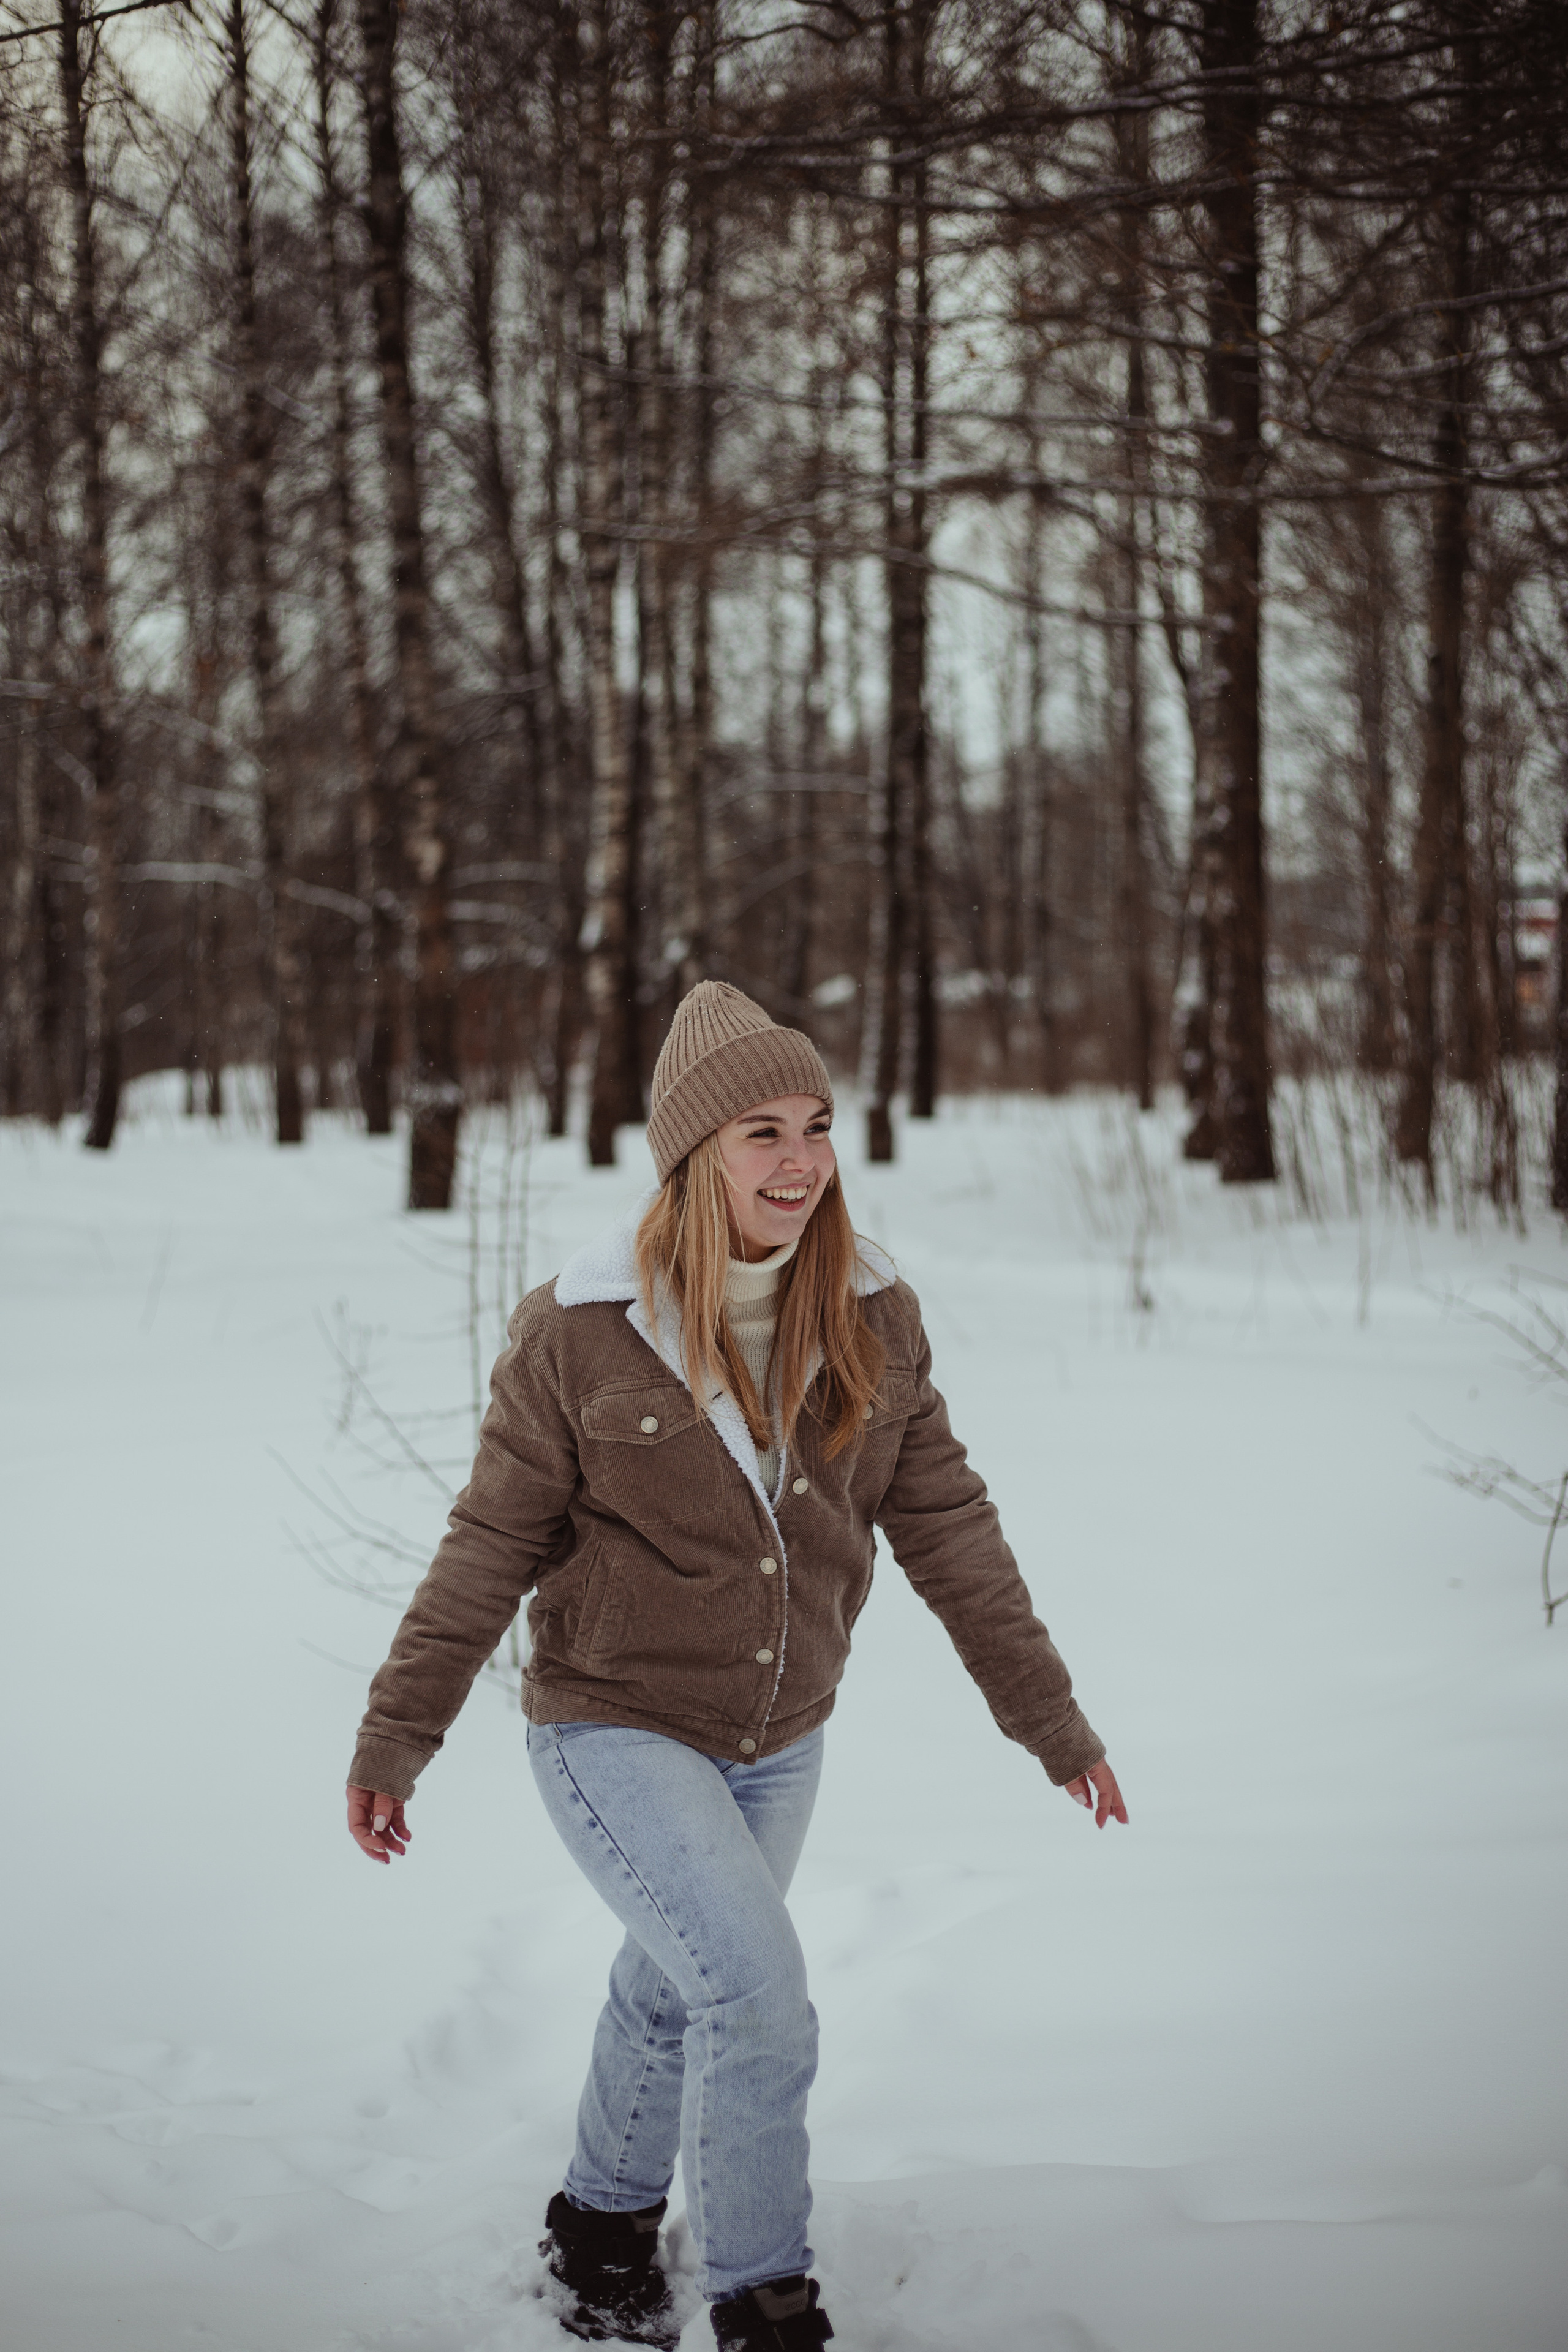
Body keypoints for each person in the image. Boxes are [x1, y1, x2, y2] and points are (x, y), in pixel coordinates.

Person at [347, 981, 1126, 2352]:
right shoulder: (580, 1327)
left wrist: (1051, 1723)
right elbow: (491, 1542)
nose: (799, 1160)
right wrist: (397, 1734)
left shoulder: (872, 1315)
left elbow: (949, 1527)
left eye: (815, 1125)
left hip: (781, 1734)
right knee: (755, 1994)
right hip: (613, 1722)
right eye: (761, 1131)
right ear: (692, 1155)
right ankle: (768, 2305)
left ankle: (598, 2230)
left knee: (677, 1978)